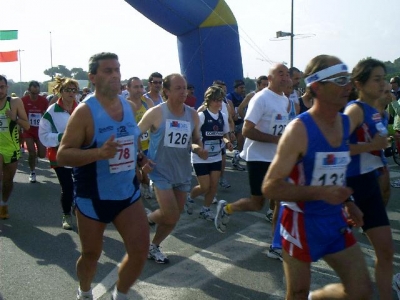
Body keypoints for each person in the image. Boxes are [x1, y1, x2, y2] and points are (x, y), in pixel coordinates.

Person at [263, 55, 372, 299]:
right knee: (298, 292)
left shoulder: (344, 124)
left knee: (362, 290)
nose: (349, 86)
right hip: (301, 221)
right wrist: (321, 193)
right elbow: (270, 187)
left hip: (334, 220)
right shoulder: (298, 130)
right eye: (340, 80)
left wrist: (348, 202)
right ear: (317, 86)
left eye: (349, 79)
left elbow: (333, 168)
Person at [57, 52, 150, 300]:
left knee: (141, 250)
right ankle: (84, 291)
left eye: (117, 69)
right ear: (93, 77)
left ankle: (120, 294)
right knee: (91, 254)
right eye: (108, 70)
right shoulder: (85, 112)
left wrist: (141, 160)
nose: (115, 75)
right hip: (93, 197)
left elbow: (132, 142)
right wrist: (99, 153)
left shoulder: (130, 107)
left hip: (127, 194)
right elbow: (62, 155)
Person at [138, 73, 207, 264]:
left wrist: (199, 148)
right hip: (160, 171)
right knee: (171, 213)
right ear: (166, 91)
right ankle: (146, 220)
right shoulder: (156, 113)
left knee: (173, 218)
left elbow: (195, 139)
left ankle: (154, 245)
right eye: (178, 88)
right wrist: (141, 158)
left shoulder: (192, 114)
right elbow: (135, 134)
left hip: (183, 172)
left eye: (185, 88)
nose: (184, 92)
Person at [214, 64, 291, 234]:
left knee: (280, 200)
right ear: (270, 78)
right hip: (258, 157)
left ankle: (277, 245)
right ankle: (227, 208)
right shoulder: (261, 98)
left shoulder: (285, 100)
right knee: (257, 203)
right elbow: (247, 130)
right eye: (280, 74)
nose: (285, 77)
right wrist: (277, 140)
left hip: (277, 157)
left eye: (287, 74)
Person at [344, 58, 394, 300]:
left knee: (385, 252)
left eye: (383, 78)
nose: (383, 84)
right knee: (342, 259)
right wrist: (370, 146)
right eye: (377, 79)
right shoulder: (355, 110)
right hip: (349, 187)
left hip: (369, 185)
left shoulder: (376, 112)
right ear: (359, 83)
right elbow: (335, 146)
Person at [185, 86, 233, 220]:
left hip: (216, 156)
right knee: (204, 186)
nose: (218, 103)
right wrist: (199, 149)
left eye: (220, 100)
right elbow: (193, 137)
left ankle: (205, 210)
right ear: (208, 100)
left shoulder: (222, 116)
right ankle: (190, 197)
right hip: (200, 157)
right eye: (215, 100)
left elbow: (223, 135)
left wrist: (227, 142)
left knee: (213, 185)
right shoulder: (202, 116)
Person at [38, 77, 79, 230]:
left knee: (81, 185)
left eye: (74, 90)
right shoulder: (52, 111)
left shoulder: (81, 109)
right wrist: (60, 138)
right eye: (67, 90)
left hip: (78, 155)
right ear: (60, 91)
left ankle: (78, 208)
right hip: (59, 155)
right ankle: (66, 214)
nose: (71, 93)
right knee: (67, 187)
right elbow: (43, 135)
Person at [0, 75, 30, 219]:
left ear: (7, 87)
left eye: (2, 87)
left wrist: (15, 118)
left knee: (7, 182)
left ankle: (3, 203)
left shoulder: (15, 102)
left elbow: (27, 125)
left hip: (11, 147)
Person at [126, 76, 154, 198]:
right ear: (128, 88)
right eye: (135, 87)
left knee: (147, 175)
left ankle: (144, 190)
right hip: (131, 146)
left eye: (141, 86)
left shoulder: (147, 102)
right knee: (137, 176)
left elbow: (154, 123)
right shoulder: (125, 104)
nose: (139, 89)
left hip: (147, 145)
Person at [21, 80, 48, 183]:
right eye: (33, 93)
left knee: (41, 154)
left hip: (40, 130)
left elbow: (47, 114)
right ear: (29, 90)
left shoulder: (44, 100)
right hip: (28, 130)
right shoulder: (23, 100)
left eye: (37, 93)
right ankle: (32, 172)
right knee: (32, 152)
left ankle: (35, 158)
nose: (35, 95)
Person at [212, 80, 236, 188]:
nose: (222, 92)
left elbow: (230, 120)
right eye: (219, 89)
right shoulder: (206, 105)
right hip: (209, 139)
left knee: (222, 160)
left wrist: (231, 132)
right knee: (210, 167)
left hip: (222, 137)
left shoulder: (226, 105)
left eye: (224, 90)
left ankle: (221, 178)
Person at [226, 79, 246, 171]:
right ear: (236, 88)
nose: (243, 89)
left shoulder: (243, 97)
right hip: (231, 124)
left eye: (243, 87)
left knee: (240, 143)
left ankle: (236, 161)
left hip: (240, 123)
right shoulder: (230, 96)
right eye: (241, 88)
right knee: (226, 145)